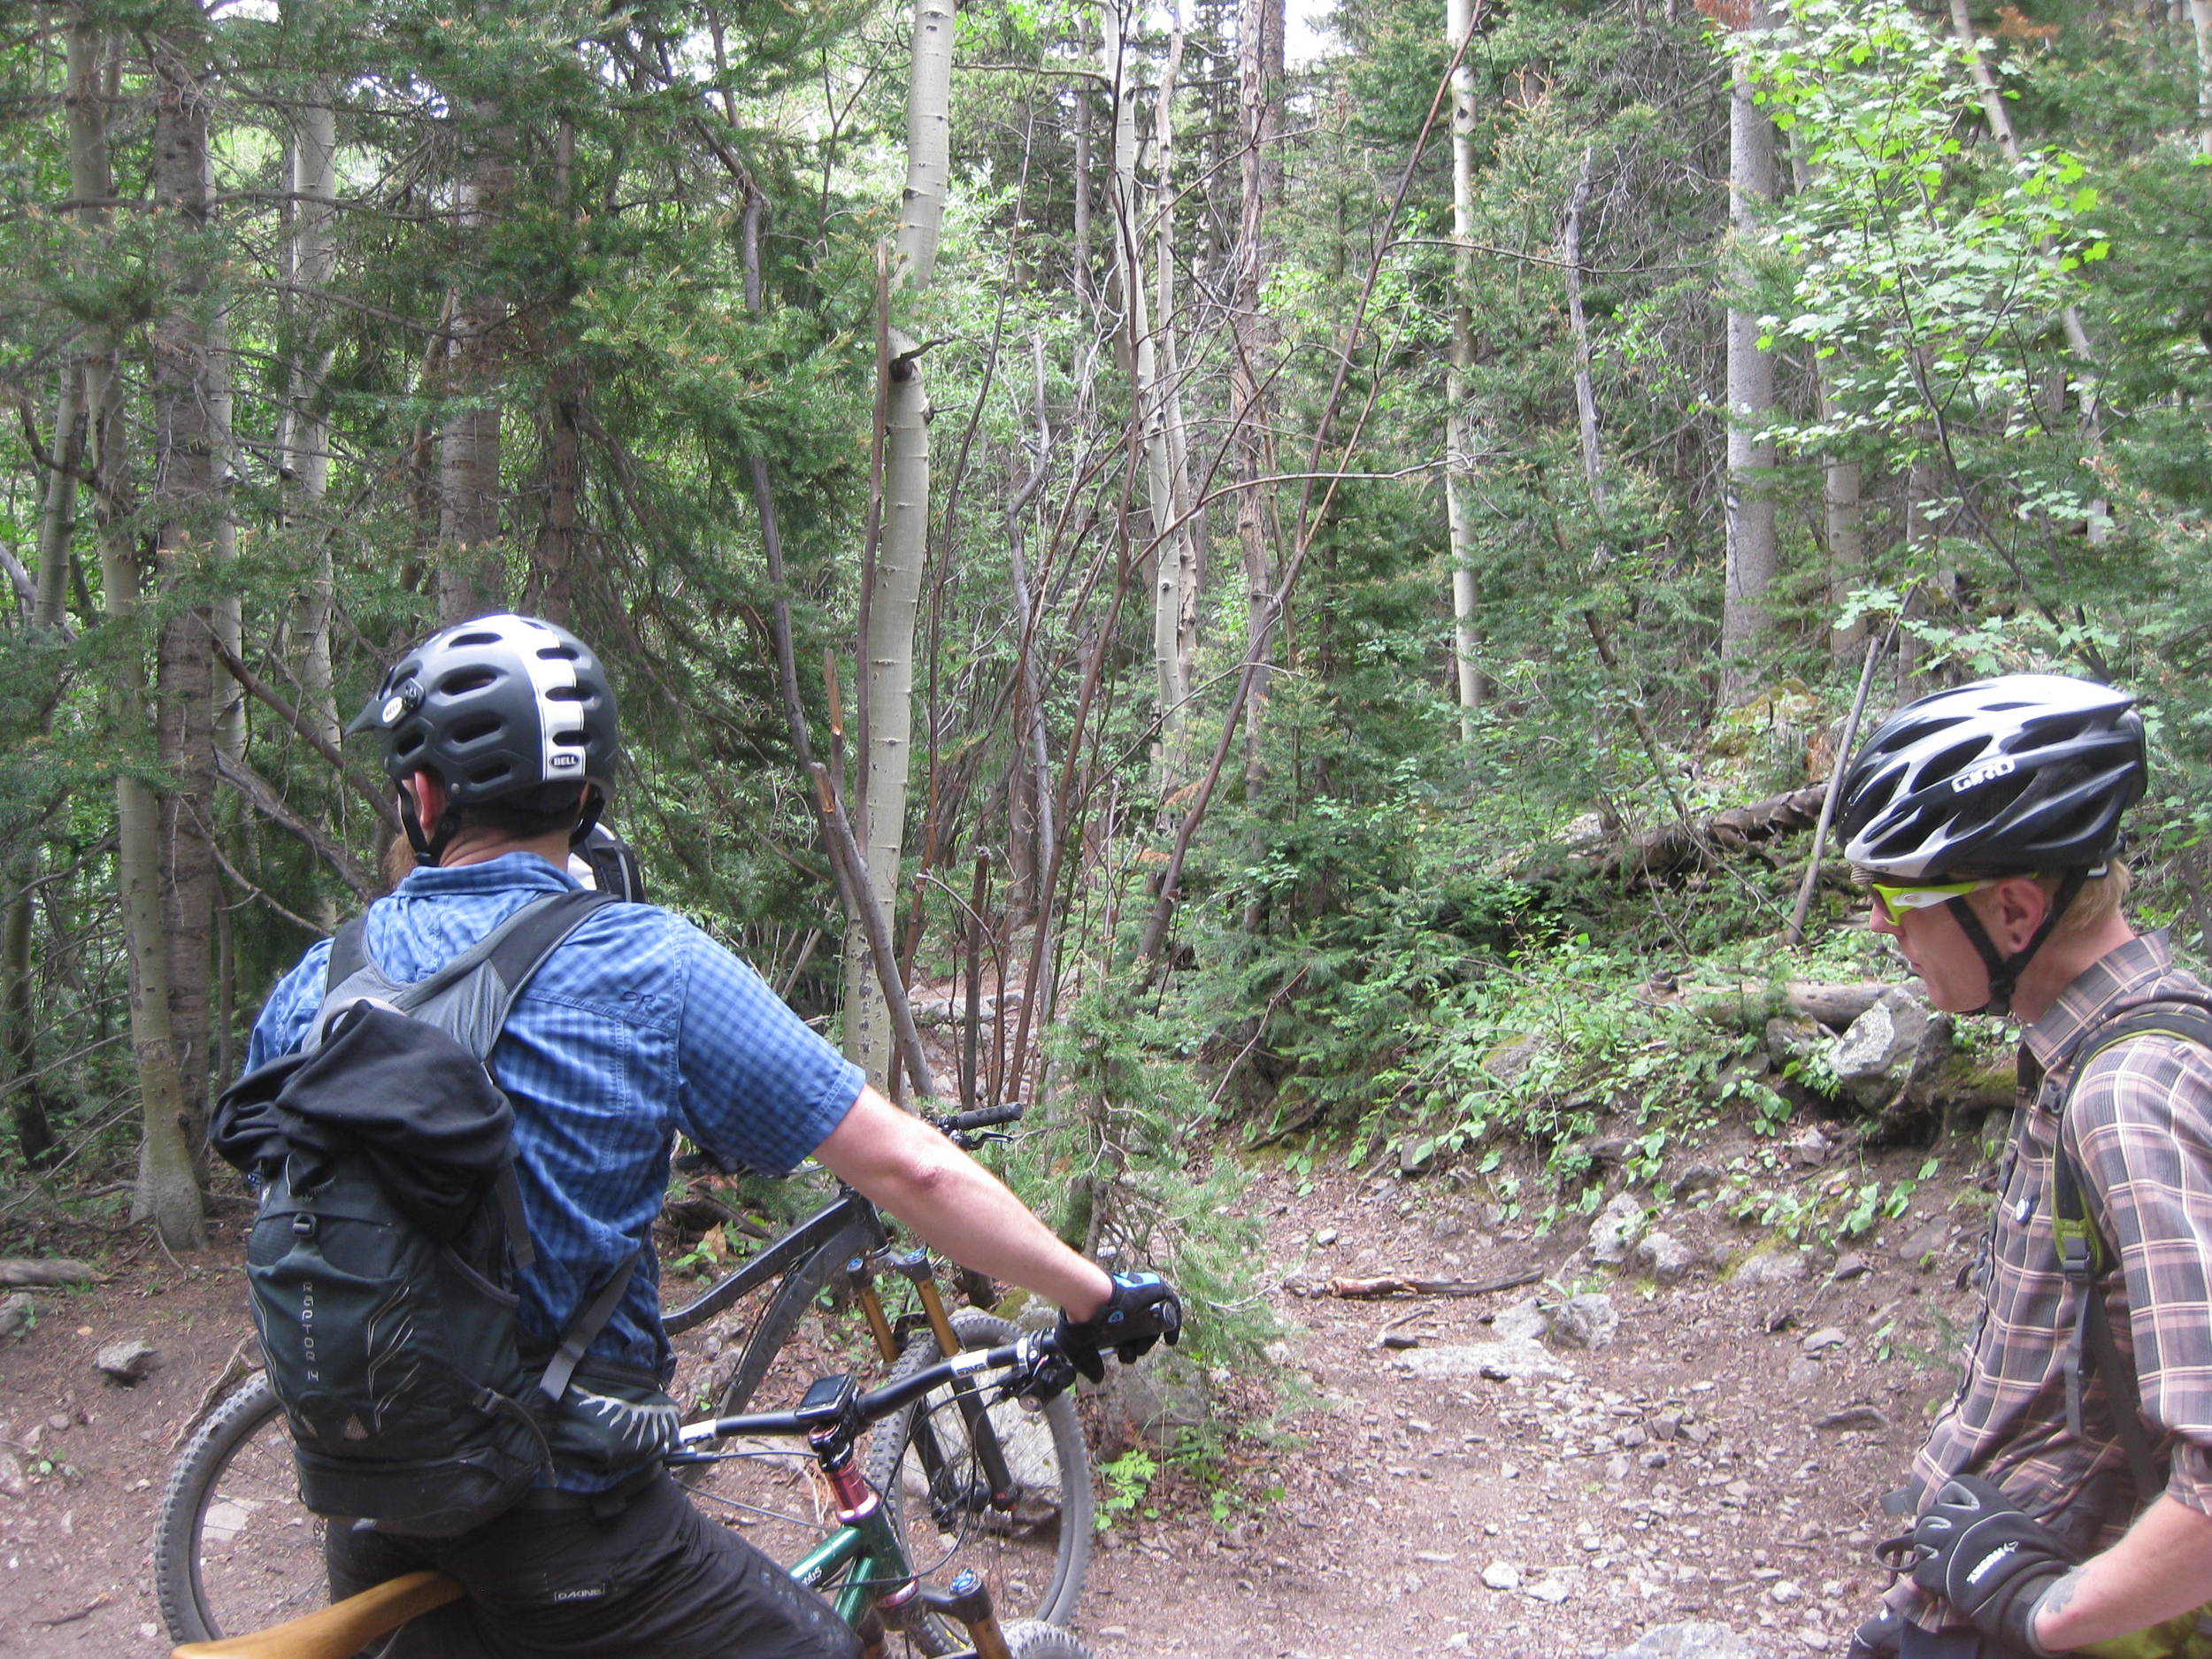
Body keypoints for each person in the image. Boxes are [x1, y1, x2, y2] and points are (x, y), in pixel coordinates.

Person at [241, 612, 1181, 1659]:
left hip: (375, 1533)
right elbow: (909, 1163)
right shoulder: (645, 965)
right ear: (588, 798)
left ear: (422, 797)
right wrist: (1091, 1295)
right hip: (582, 1546)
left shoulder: (313, 989)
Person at [1833, 673, 2212, 1659]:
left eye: (1898, 897)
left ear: (2012, 910)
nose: (1880, 925)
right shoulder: (2099, 1048)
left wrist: (2049, 1614)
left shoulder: (2129, 1096)